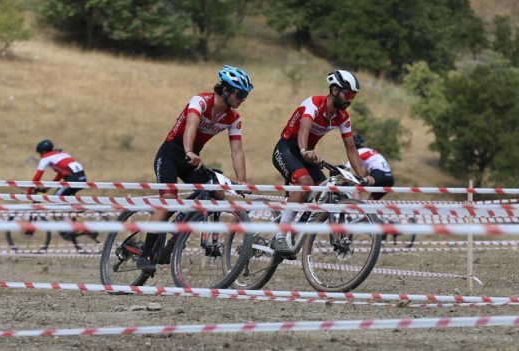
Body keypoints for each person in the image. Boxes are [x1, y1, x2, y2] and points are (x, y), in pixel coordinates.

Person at [137, 65, 253, 274]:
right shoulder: (200, 101)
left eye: (245, 95)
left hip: (192, 160)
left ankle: (178, 235)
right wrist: (189, 150)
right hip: (171, 154)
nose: (243, 99)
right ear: (226, 90)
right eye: (240, 94)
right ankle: (145, 254)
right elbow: (191, 125)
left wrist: (242, 182)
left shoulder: (233, 118)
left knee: (216, 191)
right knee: (169, 199)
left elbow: (237, 151)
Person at [271, 70, 374, 257]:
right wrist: (304, 151)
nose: (351, 100)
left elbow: (351, 149)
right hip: (287, 149)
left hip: (308, 156)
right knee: (305, 183)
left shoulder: (343, 117)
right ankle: (279, 236)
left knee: (321, 192)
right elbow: (303, 130)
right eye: (349, 94)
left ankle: (293, 233)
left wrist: (361, 177)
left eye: (354, 96)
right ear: (334, 90)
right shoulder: (314, 104)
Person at [345, 134, 394, 200]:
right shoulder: (370, 150)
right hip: (390, 178)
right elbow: (364, 172)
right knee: (371, 202)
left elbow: (346, 168)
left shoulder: (358, 152)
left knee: (356, 190)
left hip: (379, 175)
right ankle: (366, 210)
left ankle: (357, 209)